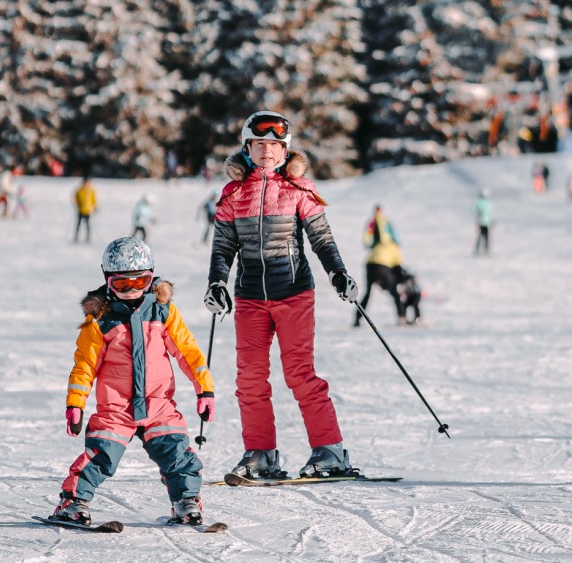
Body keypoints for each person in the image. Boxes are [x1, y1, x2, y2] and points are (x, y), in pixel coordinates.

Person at [204, 110, 359, 480]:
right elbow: (223, 246)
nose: (267, 151)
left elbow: (321, 236)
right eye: (260, 144)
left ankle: (330, 452)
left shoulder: (298, 189)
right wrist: (216, 282)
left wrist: (338, 272)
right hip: (249, 299)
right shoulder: (233, 194)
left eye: (275, 144)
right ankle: (260, 455)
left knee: (300, 374)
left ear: (285, 150)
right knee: (250, 380)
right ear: (247, 148)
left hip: (293, 294)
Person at [51, 237, 216, 527]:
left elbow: (187, 351)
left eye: (140, 283)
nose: (131, 292)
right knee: (101, 455)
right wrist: (75, 403)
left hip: (158, 403)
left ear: (151, 278)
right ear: (108, 281)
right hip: (117, 406)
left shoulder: (163, 311)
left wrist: (205, 389)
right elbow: (84, 365)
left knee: (177, 453)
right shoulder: (100, 319)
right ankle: (74, 503)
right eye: (122, 285)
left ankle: (186, 502)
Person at [355, 205, 404, 326]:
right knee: (395, 292)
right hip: (382, 266)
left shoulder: (377, 244)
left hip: (369, 264)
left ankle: (357, 318)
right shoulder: (394, 247)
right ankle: (401, 317)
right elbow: (398, 268)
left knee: (367, 293)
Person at [73, 176, 97, 243]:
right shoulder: (79, 190)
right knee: (78, 224)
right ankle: (76, 237)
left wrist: (94, 206)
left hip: (87, 210)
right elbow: (75, 198)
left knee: (87, 225)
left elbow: (93, 199)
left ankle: (88, 237)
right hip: (80, 210)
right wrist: (77, 205)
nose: (86, 183)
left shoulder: (91, 190)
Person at [474, 189, 493, 255]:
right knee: (484, 237)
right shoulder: (486, 203)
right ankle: (484, 250)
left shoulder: (480, 202)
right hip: (484, 222)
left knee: (481, 236)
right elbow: (491, 212)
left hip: (483, 222)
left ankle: (480, 250)